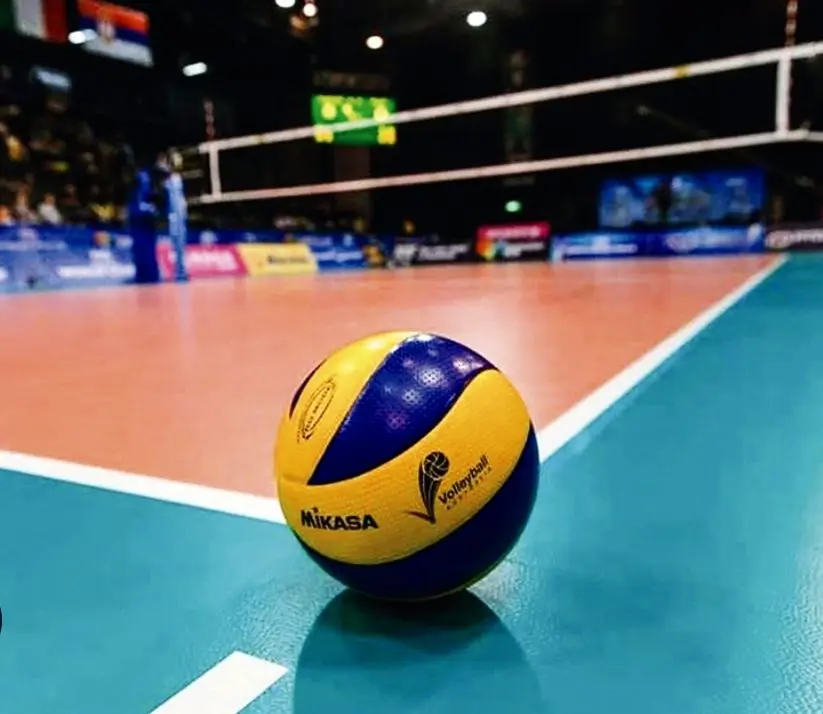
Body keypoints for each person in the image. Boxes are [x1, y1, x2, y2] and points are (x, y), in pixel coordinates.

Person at [127, 158, 160, 284]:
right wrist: (148, 210)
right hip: (139, 228)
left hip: (147, 229)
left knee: (148, 252)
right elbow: (135, 209)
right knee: (140, 252)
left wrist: (151, 210)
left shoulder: (148, 194)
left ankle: (151, 275)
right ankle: (142, 275)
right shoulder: (135, 196)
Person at [158, 149, 189, 282]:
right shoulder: (168, 180)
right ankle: (178, 271)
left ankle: (181, 271)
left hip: (180, 215)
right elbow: (161, 170)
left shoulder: (176, 178)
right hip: (173, 215)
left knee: (181, 245)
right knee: (175, 245)